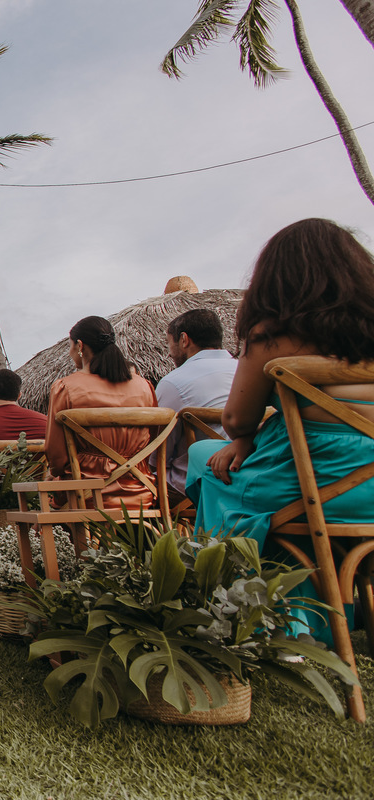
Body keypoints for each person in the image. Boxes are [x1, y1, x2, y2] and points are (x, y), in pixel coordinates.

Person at [186, 219, 374, 641]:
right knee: (273, 489)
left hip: (312, 486)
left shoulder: (272, 336)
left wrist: (246, 439)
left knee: (207, 463)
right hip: (367, 490)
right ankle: (318, 611)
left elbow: (235, 421)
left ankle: (243, 612)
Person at [45, 315, 158, 510]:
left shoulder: (65, 387)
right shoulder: (144, 386)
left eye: (70, 346)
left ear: (80, 346)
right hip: (140, 489)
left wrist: (55, 472)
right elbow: (153, 440)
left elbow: (56, 455)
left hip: (86, 493)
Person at [152, 309, 237, 497]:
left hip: (198, 485)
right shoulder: (244, 370)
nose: (169, 354)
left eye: (169, 343)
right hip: (252, 473)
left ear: (184, 340)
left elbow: (158, 456)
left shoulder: (173, 382)